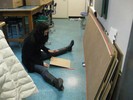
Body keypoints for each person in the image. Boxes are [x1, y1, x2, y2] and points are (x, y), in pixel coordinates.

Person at [22, 22, 74, 91]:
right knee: (43, 70)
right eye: (46, 32)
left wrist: (48, 50)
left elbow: (40, 45)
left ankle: (68, 48)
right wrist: (41, 63)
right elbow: (29, 57)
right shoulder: (30, 40)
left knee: (53, 52)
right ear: (41, 31)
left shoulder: (39, 36)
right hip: (29, 61)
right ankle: (56, 83)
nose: (47, 34)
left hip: (37, 54)